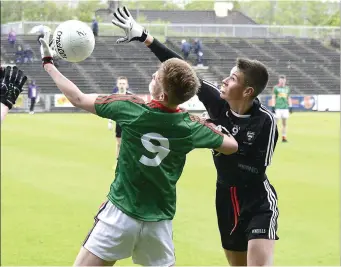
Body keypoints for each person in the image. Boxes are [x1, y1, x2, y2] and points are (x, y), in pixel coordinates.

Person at [39, 29, 238, 266]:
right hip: (159, 223)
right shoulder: (190, 126)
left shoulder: (131, 109)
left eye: (156, 77)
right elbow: (231, 146)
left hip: (119, 214)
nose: (153, 75)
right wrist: (213, 124)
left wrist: (49, 64)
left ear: (162, 94)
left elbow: (79, 99)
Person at [112, 6, 279, 266]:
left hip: (257, 200)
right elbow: (184, 69)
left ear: (247, 91)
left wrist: (216, 135)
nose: (224, 80)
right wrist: (145, 37)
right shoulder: (218, 103)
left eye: (232, 78)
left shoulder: (265, 121)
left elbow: (256, 169)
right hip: (225, 196)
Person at [108, 76, 133, 159]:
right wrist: (110, 122)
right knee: (119, 144)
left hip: (129, 123)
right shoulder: (114, 97)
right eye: (120, 83)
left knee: (128, 144)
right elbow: (111, 110)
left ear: (127, 85)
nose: (122, 85)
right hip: (119, 123)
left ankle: (127, 161)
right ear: (117, 85)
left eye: (123, 83)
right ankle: (117, 162)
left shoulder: (131, 96)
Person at [272, 75, 292, 142]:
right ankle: (273, 136)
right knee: (275, 123)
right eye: (281, 80)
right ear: (279, 80)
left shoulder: (287, 88)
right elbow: (273, 97)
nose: (282, 81)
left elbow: (288, 97)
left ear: (285, 80)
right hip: (278, 107)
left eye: (283, 80)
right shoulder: (276, 88)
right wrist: (273, 106)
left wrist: (290, 106)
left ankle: (284, 137)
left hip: (285, 108)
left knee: (284, 123)